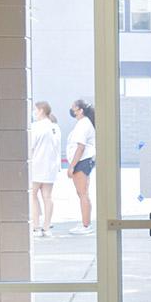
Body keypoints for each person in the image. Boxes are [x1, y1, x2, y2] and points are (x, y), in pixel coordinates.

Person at [30, 101, 61, 237]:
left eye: (35, 110)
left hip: (37, 165)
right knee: (47, 196)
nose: (34, 113)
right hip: (51, 167)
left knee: (32, 195)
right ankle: (47, 227)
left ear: (41, 110)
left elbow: (30, 147)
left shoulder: (36, 127)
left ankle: (36, 227)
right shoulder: (55, 127)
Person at [66, 99, 96, 235]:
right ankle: (85, 223)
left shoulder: (83, 124)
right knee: (82, 193)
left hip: (81, 162)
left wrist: (71, 166)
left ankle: (86, 225)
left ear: (80, 110)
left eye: (73, 108)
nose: (71, 110)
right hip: (82, 161)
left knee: (83, 193)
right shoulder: (83, 123)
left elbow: (80, 147)